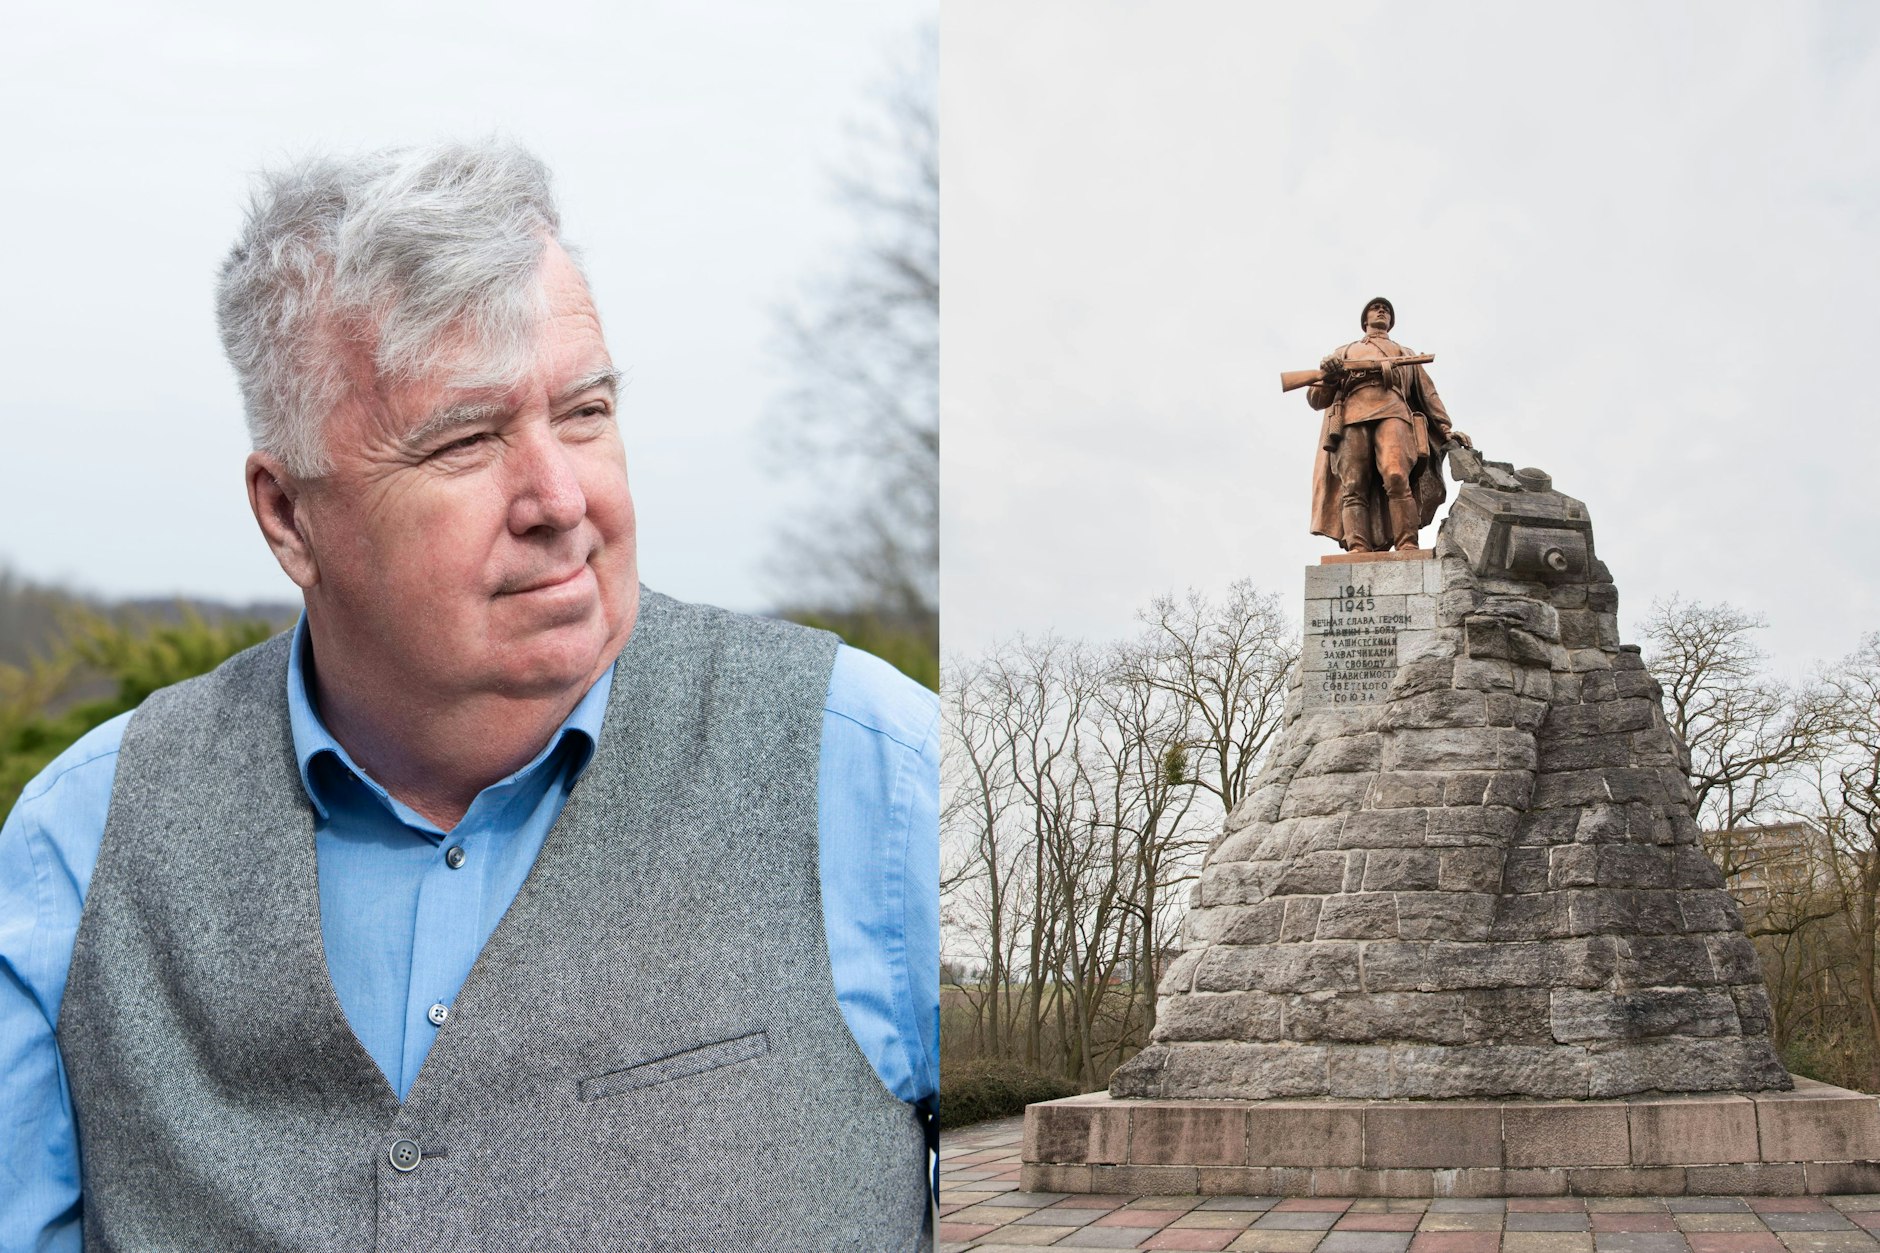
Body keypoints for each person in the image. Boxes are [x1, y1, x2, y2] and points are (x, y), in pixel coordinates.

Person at [0, 142, 937, 1250]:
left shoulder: (876, 776)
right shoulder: (80, 848)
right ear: (290, 515)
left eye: (583, 412)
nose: (558, 498)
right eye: (467, 438)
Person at [1306, 296, 1471, 553]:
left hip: (1394, 411)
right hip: (1351, 416)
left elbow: (1428, 395)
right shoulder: (1344, 351)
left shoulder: (1405, 354)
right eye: (1375, 308)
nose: (1381, 311)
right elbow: (1316, 399)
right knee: (1353, 483)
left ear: (1391, 321)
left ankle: (1407, 543)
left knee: (1396, 475)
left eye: (1386, 310)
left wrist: (1446, 429)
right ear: (1365, 320)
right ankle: (1357, 547)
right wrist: (1328, 375)